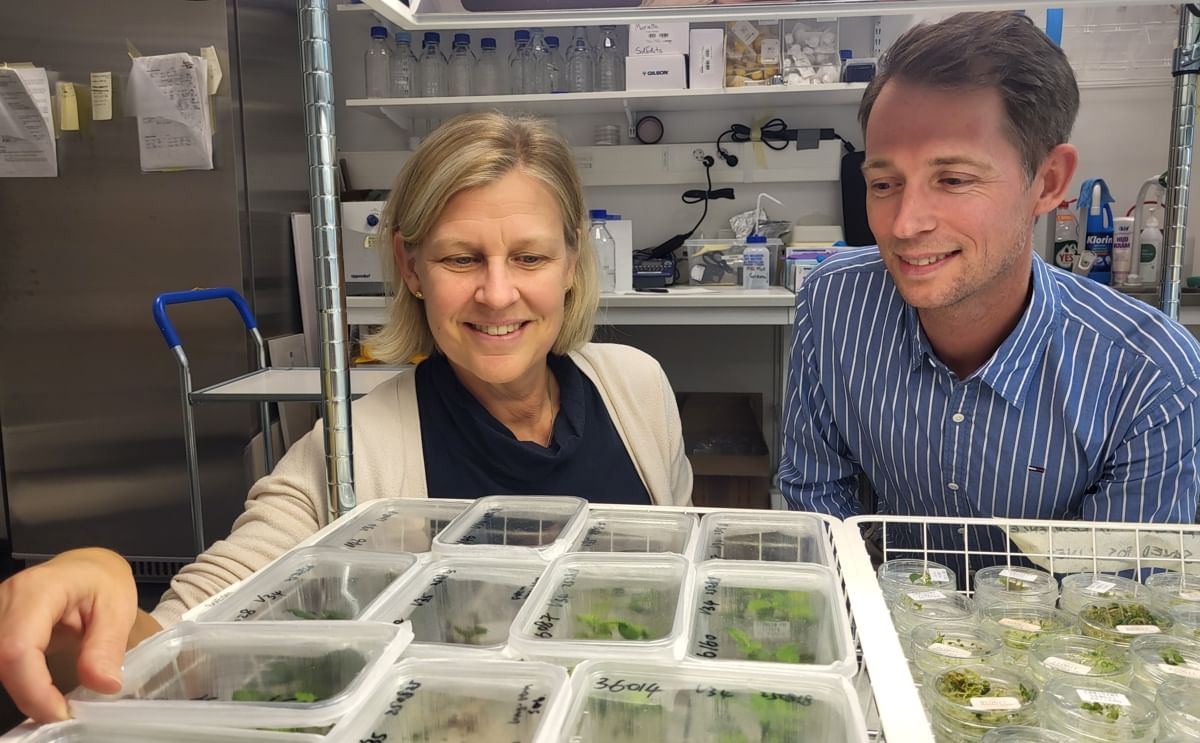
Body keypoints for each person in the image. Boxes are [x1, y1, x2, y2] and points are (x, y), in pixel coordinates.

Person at [0, 111, 692, 723]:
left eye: (531, 256)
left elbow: (684, 598)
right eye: (461, 257)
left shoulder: (638, 389)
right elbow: (190, 645)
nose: (498, 292)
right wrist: (88, 603)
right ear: (411, 267)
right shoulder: (352, 451)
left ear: (573, 260)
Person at [779, 12, 1200, 543]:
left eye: (953, 180)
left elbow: (1120, 595)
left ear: (1047, 183)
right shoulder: (834, 302)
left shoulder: (1149, 374)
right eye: (884, 184)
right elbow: (817, 498)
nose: (905, 225)